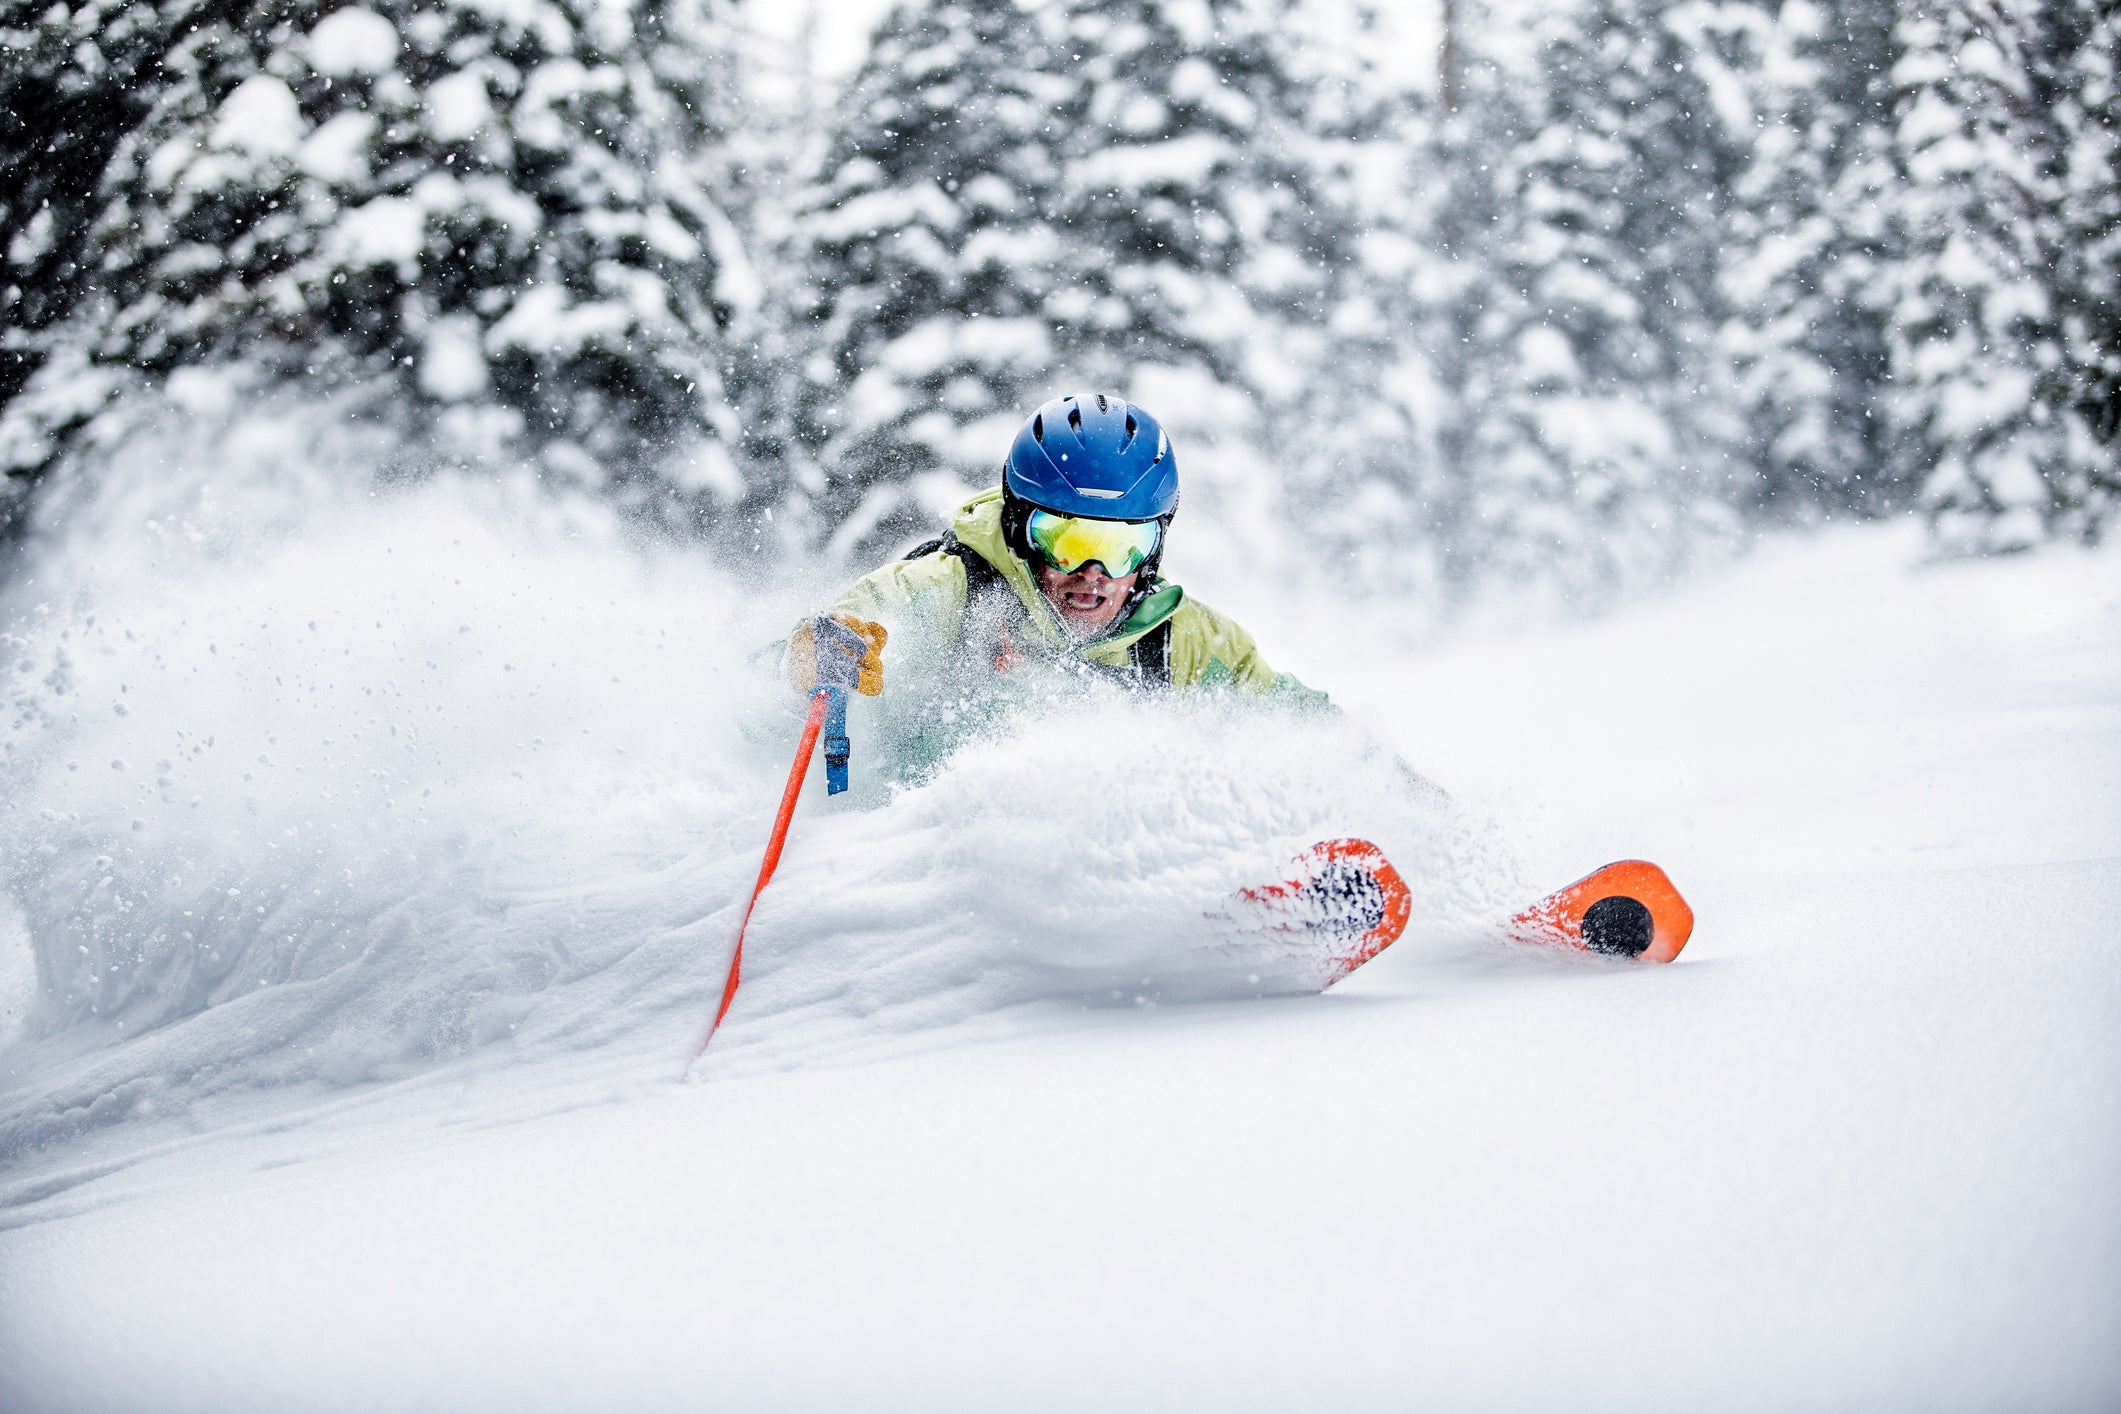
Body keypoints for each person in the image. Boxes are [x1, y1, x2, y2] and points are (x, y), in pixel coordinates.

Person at [784, 392, 1328, 779]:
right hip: (929, 878)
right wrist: (805, 664)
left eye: (1122, 548)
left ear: (1155, 547)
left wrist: (1400, 804)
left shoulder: (1184, 644)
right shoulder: (940, 594)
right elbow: (764, 711)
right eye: (1067, 541)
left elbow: (1311, 732)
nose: (1094, 572)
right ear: (1022, 528)